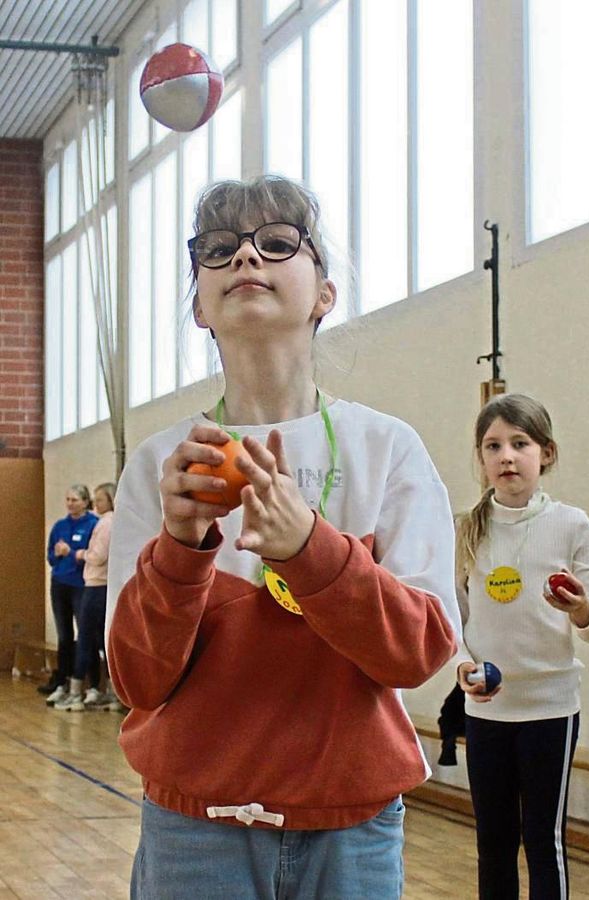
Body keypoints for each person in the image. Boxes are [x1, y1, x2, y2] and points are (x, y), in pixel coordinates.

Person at [106, 175, 460, 899]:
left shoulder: (387, 449)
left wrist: (309, 552)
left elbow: (420, 651)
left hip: (350, 828)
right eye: (218, 249)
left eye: (275, 243)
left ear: (324, 293)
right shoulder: (159, 464)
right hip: (194, 830)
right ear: (200, 307)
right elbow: (137, 681)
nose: (245, 260)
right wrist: (179, 548)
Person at [454, 393, 589, 900]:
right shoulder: (467, 529)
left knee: (543, 841)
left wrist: (580, 608)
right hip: (486, 712)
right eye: (493, 445)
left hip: (551, 710)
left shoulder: (571, 524)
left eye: (519, 443)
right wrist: (462, 666)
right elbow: (453, 618)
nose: (506, 456)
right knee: (493, 843)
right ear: (481, 459)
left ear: (545, 452)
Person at [58, 482, 122, 712]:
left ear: (111, 500)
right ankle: (112, 692)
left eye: (100, 499)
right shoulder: (114, 522)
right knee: (102, 639)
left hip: (96, 585)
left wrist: (78, 553)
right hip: (103, 585)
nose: (97, 504)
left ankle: (76, 693)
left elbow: (97, 556)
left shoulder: (106, 523)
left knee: (85, 637)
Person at [43, 484, 98, 705]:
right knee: (64, 636)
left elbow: (95, 555)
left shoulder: (94, 525)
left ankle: (92, 685)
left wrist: (72, 553)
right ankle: (62, 682)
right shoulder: (60, 526)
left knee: (87, 634)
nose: (70, 504)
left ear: (85, 502)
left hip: (83, 585)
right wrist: (57, 555)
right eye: (68, 499)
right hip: (60, 584)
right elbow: (51, 556)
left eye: (74, 500)